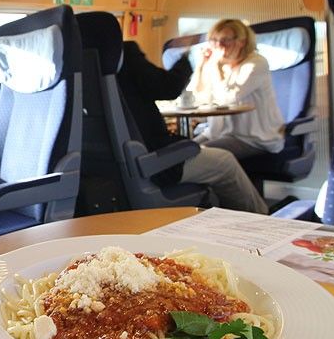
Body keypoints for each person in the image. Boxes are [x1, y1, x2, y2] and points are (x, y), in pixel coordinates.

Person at [117, 40, 268, 214]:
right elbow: (169, 87)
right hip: (150, 162)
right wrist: (186, 55)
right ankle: (263, 219)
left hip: (117, 166)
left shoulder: (89, 64)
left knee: (201, 149)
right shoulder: (124, 53)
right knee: (225, 161)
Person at [191, 19, 284, 159]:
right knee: (180, 154)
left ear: (242, 41)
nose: (219, 45)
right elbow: (198, 98)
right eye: (214, 40)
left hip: (252, 138)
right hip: (218, 133)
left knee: (198, 156)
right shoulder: (222, 65)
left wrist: (214, 65)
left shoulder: (256, 64)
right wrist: (201, 65)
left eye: (225, 40)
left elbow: (228, 99)